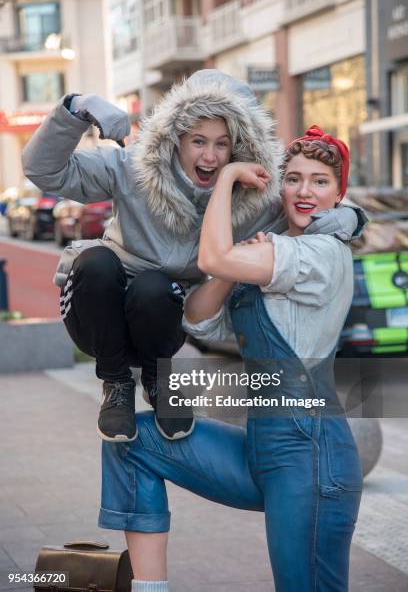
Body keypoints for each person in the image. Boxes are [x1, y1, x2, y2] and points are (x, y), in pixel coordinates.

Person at [22, 71, 364, 444]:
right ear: (176, 138)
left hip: (163, 319)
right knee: (96, 261)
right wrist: (77, 108)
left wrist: (350, 215)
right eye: (198, 141)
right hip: (99, 311)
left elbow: (307, 195)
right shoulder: (133, 167)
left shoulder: (255, 192)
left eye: (222, 144)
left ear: (239, 146)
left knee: (154, 286)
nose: (210, 156)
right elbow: (44, 170)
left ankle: (157, 381)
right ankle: (116, 385)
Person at [98, 126, 363, 592]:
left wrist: (224, 182)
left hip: (312, 455)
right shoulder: (270, 254)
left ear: (339, 194)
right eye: (294, 178)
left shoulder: (322, 253)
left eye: (320, 181)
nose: (304, 191)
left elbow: (211, 256)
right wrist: (236, 260)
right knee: (132, 442)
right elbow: (197, 316)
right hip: (261, 449)